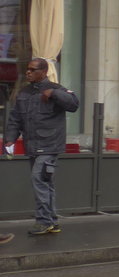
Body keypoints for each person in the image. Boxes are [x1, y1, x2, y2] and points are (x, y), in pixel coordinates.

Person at [3, 58, 79, 236]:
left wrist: (53, 93)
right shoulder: (24, 93)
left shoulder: (57, 89)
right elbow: (15, 119)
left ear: (44, 72)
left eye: (32, 69)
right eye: (27, 69)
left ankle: (43, 221)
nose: (28, 72)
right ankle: (52, 222)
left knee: (38, 179)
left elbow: (74, 104)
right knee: (45, 182)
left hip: (49, 146)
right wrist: (10, 139)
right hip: (32, 146)